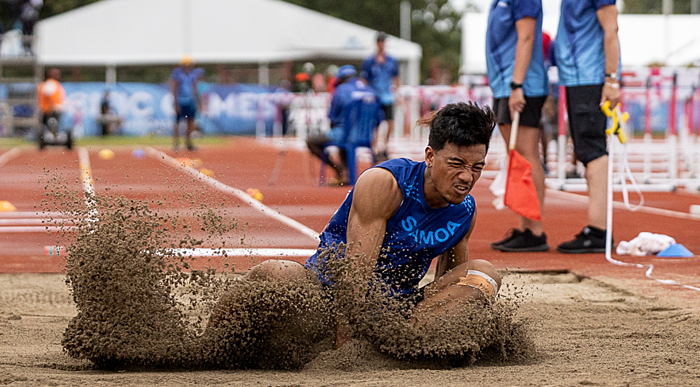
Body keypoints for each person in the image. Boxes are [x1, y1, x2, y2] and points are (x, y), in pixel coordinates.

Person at [210, 102, 502, 348]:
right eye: (456, 164)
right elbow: (355, 275)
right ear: (430, 156)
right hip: (326, 297)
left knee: (483, 275)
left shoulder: (464, 211)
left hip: (394, 312)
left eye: (477, 167)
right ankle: (209, 344)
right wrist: (346, 349)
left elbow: (449, 289)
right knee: (276, 273)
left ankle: (403, 344)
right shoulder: (386, 184)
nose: (467, 177)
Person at [552, 0, 621, 253]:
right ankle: (597, 229)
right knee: (586, 151)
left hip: (590, 77)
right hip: (577, 77)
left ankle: (599, 230)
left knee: (593, 151)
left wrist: (611, 80)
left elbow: (611, 28)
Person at [486, 0, 551, 252]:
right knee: (517, 156)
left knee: (526, 154)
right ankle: (525, 226)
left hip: (522, 85)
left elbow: (527, 36)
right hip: (505, 83)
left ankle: (535, 230)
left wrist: (517, 85)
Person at [306, 65, 372, 184]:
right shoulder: (368, 90)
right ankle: (347, 172)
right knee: (345, 137)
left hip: (344, 133)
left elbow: (332, 117)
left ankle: (340, 170)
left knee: (311, 141)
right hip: (367, 135)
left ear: (341, 78)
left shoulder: (340, 90)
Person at [361, 32, 400, 161]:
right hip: (374, 97)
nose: (382, 44)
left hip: (387, 96)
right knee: (375, 125)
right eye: (380, 42)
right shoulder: (369, 61)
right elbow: (364, 79)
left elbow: (396, 78)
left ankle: (385, 147)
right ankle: (376, 149)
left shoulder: (391, 60)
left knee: (390, 122)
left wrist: (397, 94)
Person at [170, 55, 204, 152]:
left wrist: (197, 101)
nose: (187, 67)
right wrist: (175, 102)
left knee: (190, 122)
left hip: (190, 101)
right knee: (178, 122)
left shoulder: (193, 73)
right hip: (181, 100)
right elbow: (174, 87)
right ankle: (176, 142)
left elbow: (195, 87)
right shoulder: (177, 73)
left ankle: (188, 142)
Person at [38, 68, 65, 141]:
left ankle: (53, 137)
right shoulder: (50, 83)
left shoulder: (53, 83)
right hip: (51, 110)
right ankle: (52, 138)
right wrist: (50, 107)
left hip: (52, 109)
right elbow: (48, 95)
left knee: (53, 126)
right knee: (51, 125)